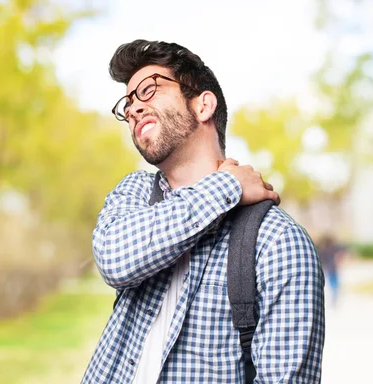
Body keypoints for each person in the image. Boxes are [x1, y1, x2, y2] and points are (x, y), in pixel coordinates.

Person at [81, 40, 325, 384]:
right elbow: (115, 259)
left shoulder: (277, 242)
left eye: (148, 89)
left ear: (203, 104)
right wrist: (228, 187)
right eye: (129, 102)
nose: (134, 108)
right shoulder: (134, 194)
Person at [317, 235, 347, 308]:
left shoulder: (323, 250)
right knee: (334, 285)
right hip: (331, 269)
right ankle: (333, 300)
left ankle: (333, 300)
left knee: (333, 285)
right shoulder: (331, 249)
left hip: (329, 269)